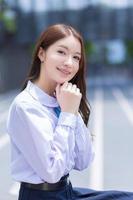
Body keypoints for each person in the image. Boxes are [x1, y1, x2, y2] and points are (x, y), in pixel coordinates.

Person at [7, 23, 133, 200]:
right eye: (61, 52)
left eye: (76, 57)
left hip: (65, 191)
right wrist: (67, 114)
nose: (69, 63)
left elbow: (84, 160)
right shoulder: (26, 106)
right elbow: (52, 172)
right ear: (41, 54)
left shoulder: (64, 100)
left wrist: (72, 112)